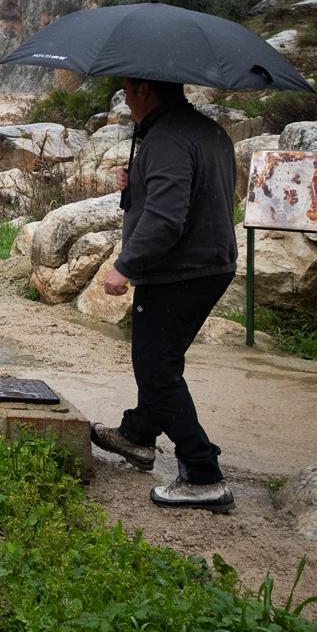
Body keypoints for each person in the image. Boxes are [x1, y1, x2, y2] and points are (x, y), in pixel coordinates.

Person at [89, 77, 238, 513]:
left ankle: (202, 472)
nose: (124, 101)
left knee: (156, 367)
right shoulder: (202, 129)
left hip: (180, 271)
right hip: (209, 264)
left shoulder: (168, 138)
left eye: (126, 92)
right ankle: (139, 435)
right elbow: (189, 191)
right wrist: (135, 181)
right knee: (160, 357)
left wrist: (125, 266)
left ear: (143, 91)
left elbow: (166, 219)